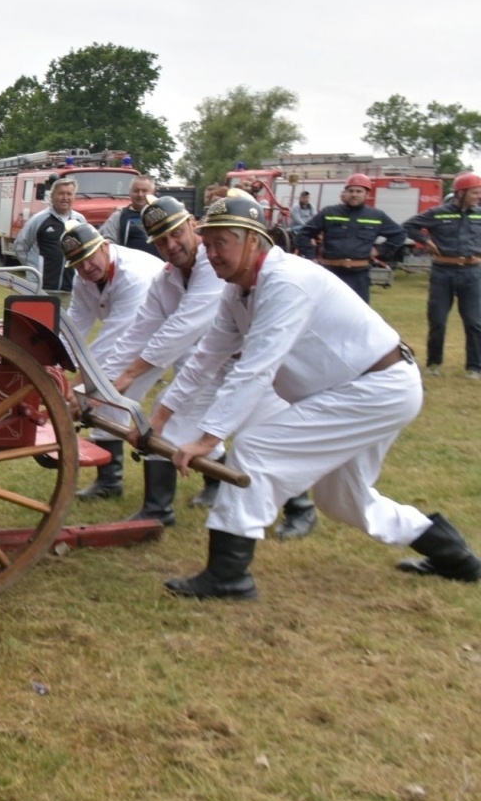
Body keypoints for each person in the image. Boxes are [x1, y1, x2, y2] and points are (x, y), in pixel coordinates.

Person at [153, 193, 480, 599]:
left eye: (222, 243)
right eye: (208, 243)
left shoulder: (287, 281)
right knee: (343, 500)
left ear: (253, 241)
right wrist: (159, 419)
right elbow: (205, 358)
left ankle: (228, 576)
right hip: (362, 389)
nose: (212, 254)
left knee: (256, 449)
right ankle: (454, 557)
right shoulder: (237, 292)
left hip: (376, 387)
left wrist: (208, 438)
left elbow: (256, 368)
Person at [109, 195, 234, 524]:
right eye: (161, 240)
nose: (171, 245)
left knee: (266, 433)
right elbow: (138, 334)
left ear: (192, 225)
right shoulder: (165, 280)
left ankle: (157, 511)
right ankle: (208, 487)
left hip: (250, 361)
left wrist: (129, 375)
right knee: (184, 412)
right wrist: (101, 385)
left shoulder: (212, 267)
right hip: (212, 362)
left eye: (176, 233)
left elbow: (182, 327)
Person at [58, 219, 161, 500]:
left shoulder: (133, 276)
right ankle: (109, 481)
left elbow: (115, 341)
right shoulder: (83, 278)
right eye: (77, 264)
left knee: (188, 401)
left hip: (174, 329)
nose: (85, 268)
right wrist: (53, 366)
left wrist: (80, 388)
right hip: (140, 334)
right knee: (109, 397)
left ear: (105, 246)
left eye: (89, 257)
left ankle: (214, 481)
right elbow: (75, 326)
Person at [403, 172, 481, 379]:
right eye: (475, 193)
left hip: (472, 272)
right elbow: (408, 226)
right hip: (443, 272)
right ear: (461, 193)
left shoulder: (479, 214)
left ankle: (475, 367)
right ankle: (434, 363)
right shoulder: (437, 213)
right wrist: (425, 241)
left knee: (474, 322)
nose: (479, 197)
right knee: (437, 320)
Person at [298, 174, 406, 302]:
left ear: (367, 194)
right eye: (351, 191)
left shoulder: (376, 216)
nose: (354, 194)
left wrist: (379, 250)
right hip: (331, 274)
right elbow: (303, 234)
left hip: (359, 277)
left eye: (359, 191)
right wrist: (311, 257)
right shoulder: (329, 213)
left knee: (358, 313)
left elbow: (400, 235)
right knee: (326, 310)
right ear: (345, 193)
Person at [13, 177, 80, 292]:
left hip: (69, 290)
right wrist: (33, 269)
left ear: (74, 197)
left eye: (69, 194)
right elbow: (20, 246)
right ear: (52, 196)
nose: (65, 198)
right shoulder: (39, 219)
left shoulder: (80, 220)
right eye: (61, 193)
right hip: (40, 288)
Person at [99, 175, 159, 256]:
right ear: (130, 193)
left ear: (153, 193)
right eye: (136, 191)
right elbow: (109, 245)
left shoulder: (161, 214)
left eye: (144, 191)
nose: (140, 194)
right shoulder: (119, 216)